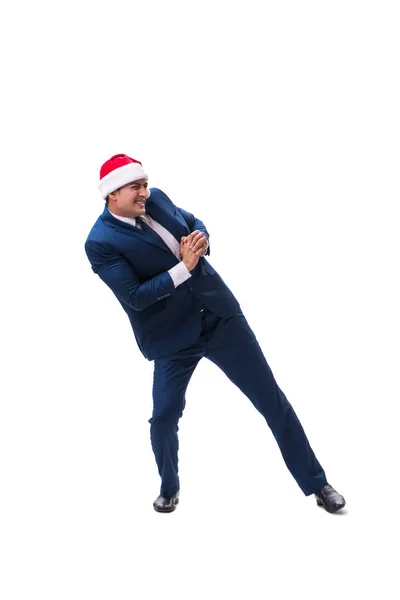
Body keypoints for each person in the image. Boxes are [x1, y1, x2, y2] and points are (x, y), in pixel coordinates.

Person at [85, 153, 346, 514]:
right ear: (113, 193)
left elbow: (193, 222)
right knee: (164, 417)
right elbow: (134, 297)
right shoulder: (100, 242)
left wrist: (201, 238)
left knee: (271, 400)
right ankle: (169, 487)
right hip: (172, 338)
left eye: (144, 184)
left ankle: (318, 484)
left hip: (222, 319)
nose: (144, 192)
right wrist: (184, 267)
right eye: (135, 187)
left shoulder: (158, 199)